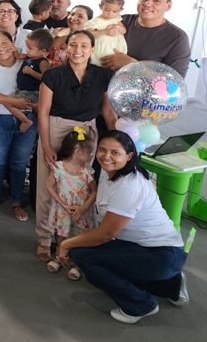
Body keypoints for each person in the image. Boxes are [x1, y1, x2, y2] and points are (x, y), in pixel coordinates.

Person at [59, 131, 188, 324]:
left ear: (129, 156)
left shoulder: (129, 185)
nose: (106, 156)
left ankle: (140, 305)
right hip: (148, 249)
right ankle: (172, 286)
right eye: (102, 150)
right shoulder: (108, 171)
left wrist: (66, 244)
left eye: (115, 152)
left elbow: (107, 233)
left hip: (162, 254)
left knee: (82, 255)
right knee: (94, 249)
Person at [36, 30, 115, 263]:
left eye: (83, 46)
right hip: (57, 128)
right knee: (48, 184)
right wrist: (47, 145)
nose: (77, 50)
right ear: (66, 47)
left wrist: (116, 140)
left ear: (92, 49)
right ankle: (43, 238)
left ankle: (70, 239)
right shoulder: (53, 75)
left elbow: (107, 111)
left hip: (87, 133)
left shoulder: (103, 75)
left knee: (79, 187)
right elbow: (43, 112)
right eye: (72, 45)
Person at [0, 31, 37, 222]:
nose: (0, 48)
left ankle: (16, 201)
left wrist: (23, 55)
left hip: (27, 121)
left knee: (19, 163)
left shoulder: (27, 64)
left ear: (13, 44)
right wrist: (13, 101)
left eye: (4, 43)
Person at [101, 0, 190, 77]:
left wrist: (132, 65)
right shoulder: (120, 21)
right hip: (102, 86)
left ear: (168, 6)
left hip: (142, 91)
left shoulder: (177, 38)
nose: (147, 3)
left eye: (156, 1)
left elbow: (174, 85)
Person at [44, 127, 96, 280]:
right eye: (89, 152)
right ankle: (59, 257)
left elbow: (94, 191)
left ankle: (76, 263)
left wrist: (83, 207)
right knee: (61, 235)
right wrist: (62, 204)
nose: (91, 156)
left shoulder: (87, 171)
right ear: (77, 151)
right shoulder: (58, 168)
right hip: (63, 210)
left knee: (79, 236)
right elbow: (49, 186)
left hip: (81, 211)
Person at [8, 28, 53, 132]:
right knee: (9, 100)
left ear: (43, 51)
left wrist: (31, 72)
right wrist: (13, 49)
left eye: (30, 48)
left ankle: (26, 121)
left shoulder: (42, 62)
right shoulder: (29, 56)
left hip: (32, 93)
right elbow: (18, 55)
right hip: (23, 91)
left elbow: (47, 78)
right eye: (26, 46)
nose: (27, 50)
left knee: (8, 102)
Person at [83, 0, 128, 67]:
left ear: (120, 10)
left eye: (114, 11)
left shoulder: (117, 19)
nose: (110, 13)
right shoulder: (95, 22)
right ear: (100, 6)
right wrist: (105, 31)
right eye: (107, 10)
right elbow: (89, 35)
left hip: (117, 51)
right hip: (100, 51)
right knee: (100, 68)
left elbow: (124, 31)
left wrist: (118, 27)